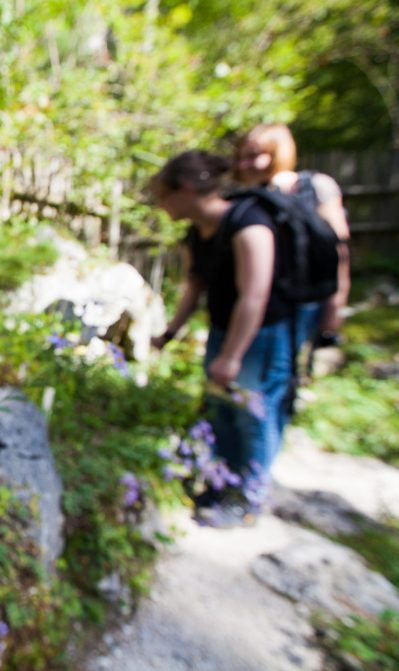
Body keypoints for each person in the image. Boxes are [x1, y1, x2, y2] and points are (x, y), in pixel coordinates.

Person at [150, 150, 292, 526]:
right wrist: (169, 332)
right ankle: (220, 482)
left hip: (258, 338)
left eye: (162, 196)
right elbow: (193, 289)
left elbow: (255, 295)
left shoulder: (250, 224)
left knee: (252, 416)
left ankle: (249, 497)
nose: (161, 206)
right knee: (221, 413)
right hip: (222, 331)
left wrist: (231, 356)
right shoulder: (198, 234)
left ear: (184, 190)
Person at [233, 124, 351, 364]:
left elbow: (338, 249)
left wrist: (336, 303)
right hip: (266, 302)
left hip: (306, 296)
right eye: (241, 157)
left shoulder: (316, 187)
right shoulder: (246, 198)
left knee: (287, 366)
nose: (244, 164)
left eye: (254, 156)